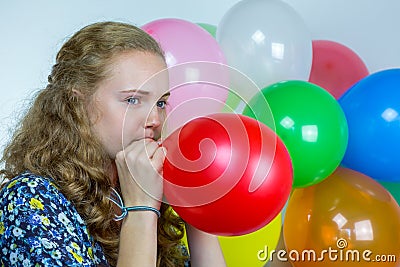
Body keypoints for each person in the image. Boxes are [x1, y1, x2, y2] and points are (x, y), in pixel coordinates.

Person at [0, 21, 226, 266]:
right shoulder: (29, 199)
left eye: (161, 103)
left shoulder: (142, 192)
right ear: (76, 104)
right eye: (132, 100)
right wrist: (140, 211)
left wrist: (196, 212)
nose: (154, 120)